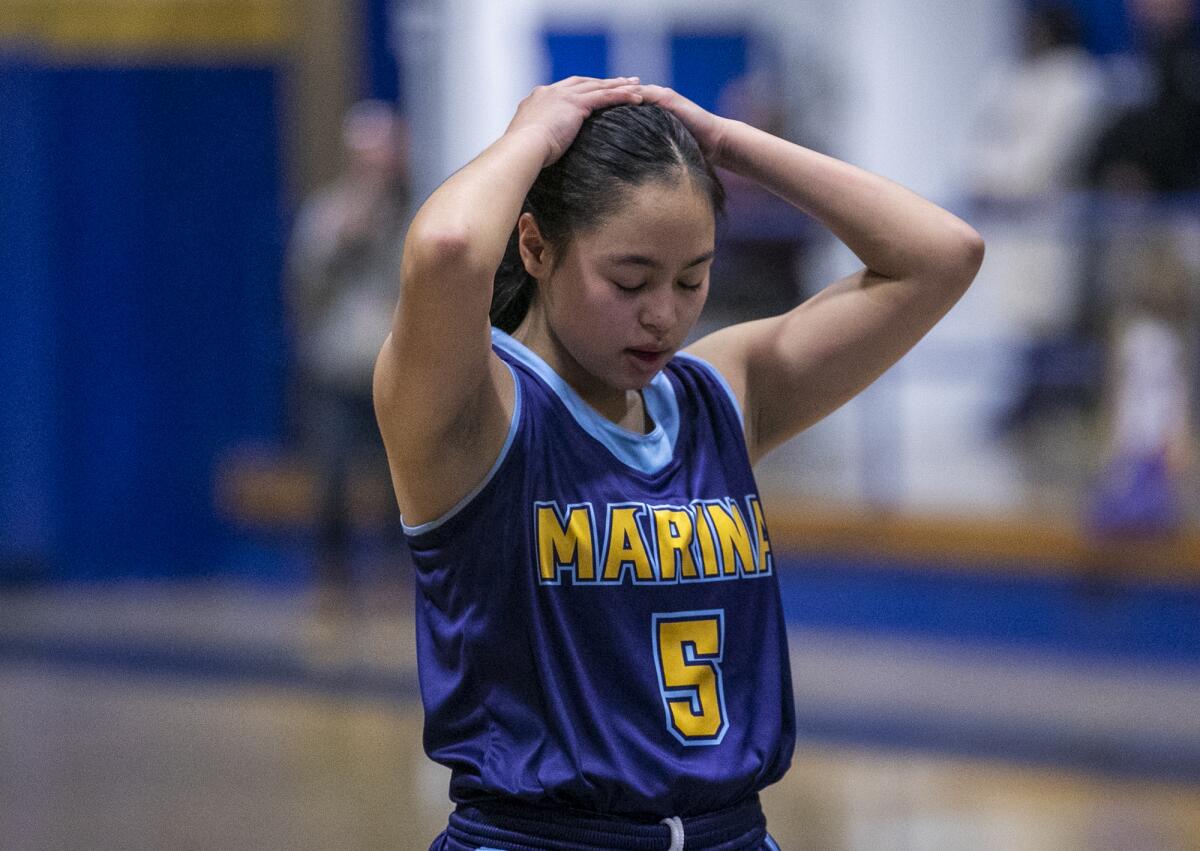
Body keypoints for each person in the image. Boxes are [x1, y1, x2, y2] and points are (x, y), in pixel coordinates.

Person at [373, 76, 983, 850]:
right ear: (534, 245)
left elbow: (942, 255)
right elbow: (448, 247)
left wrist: (724, 144)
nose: (664, 313)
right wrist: (531, 136)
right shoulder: (475, 411)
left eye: (692, 278)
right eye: (630, 281)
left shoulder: (720, 394)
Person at [287, 100, 410, 610]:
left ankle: (397, 573)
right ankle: (332, 575)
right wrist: (340, 243)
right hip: (337, 366)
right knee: (333, 473)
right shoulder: (327, 213)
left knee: (400, 475)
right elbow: (302, 287)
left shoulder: (414, 215)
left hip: (393, 366)